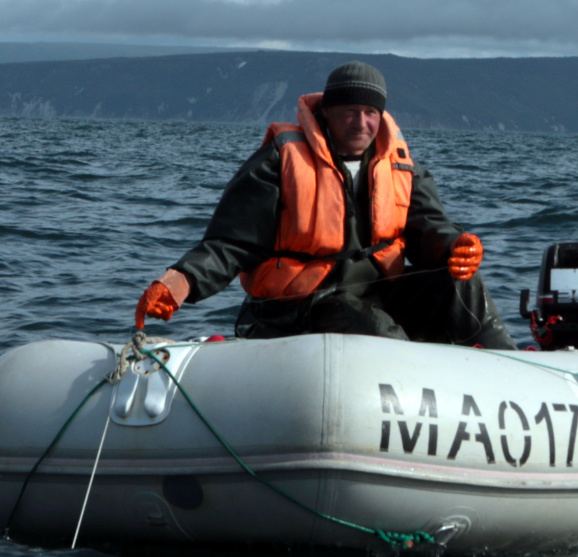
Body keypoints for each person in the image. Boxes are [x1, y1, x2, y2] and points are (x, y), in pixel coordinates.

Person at [134, 61, 516, 348]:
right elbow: (230, 243)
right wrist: (179, 282)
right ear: (327, 112)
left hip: (378, 294)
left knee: (461, 283)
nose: (360, 122)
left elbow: (429, 227)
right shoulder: (279, 162)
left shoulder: (401, 166)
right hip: (298, 308)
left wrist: (455, 246)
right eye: (349, 111)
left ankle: (513, 371)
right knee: (374, 329)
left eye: (370, 112)